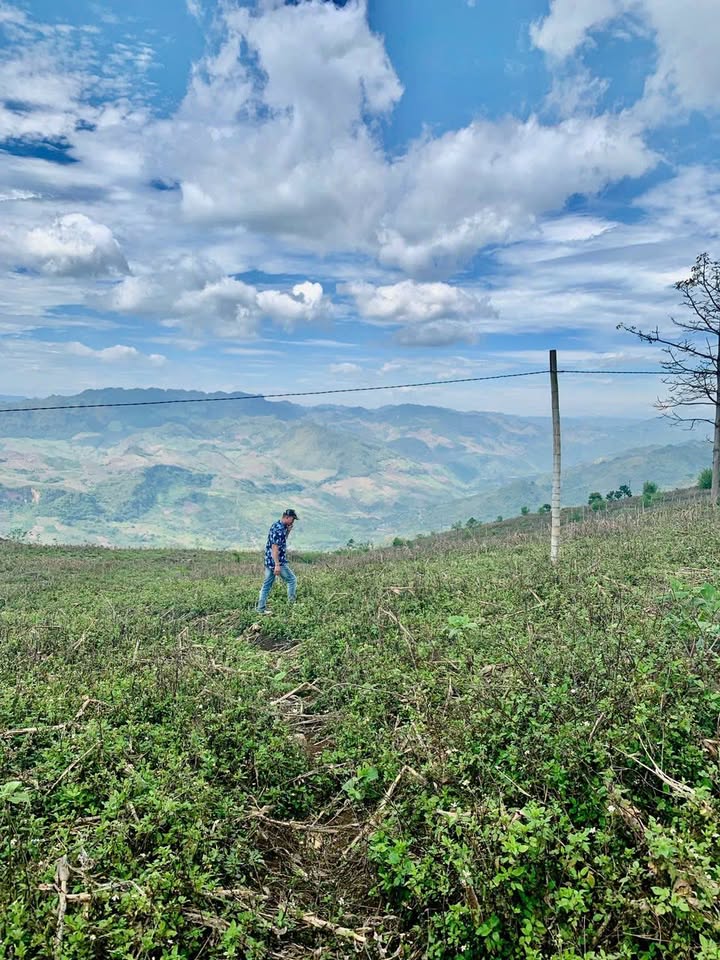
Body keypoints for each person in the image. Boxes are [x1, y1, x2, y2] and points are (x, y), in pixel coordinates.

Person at [256, 509, 298, 615]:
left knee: (266, 585)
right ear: (287, 517)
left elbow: (282, 540)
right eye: (292, 519)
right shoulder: (279, 529)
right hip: (276, 561)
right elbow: (275, 547)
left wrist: (288, 530)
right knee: (292, 580)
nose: (293, 522)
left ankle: (260, 609)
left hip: (269, 560)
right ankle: (291, 606)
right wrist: (277, 565)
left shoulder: (277, 525)